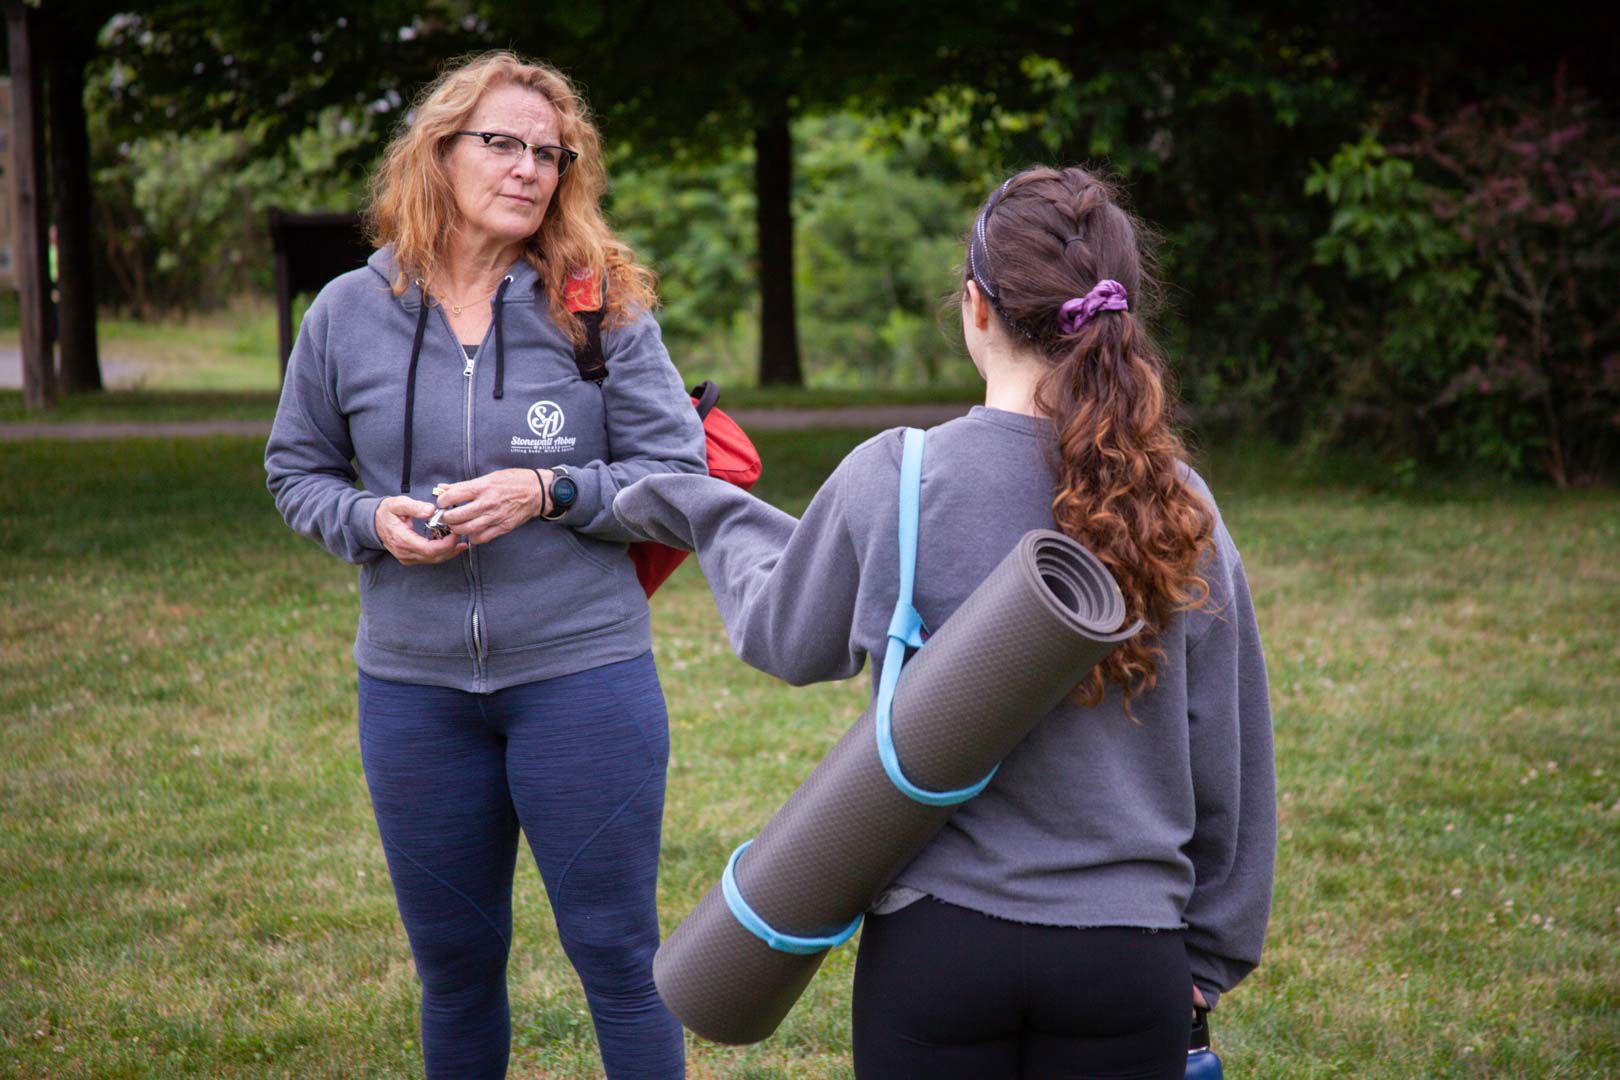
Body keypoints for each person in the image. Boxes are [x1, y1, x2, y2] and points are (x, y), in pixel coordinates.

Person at [612, 165, 1275, 1078]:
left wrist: (703, 507)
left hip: (940, 946)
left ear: (975, 307)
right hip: (1128, 953)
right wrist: (1211, 956)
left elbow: (784, 634)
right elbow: (1228, 741)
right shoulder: (1176, 502)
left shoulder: (901, 477)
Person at [264, 51, 706, 1079]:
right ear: (438, 152)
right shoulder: (343, 314)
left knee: (620, 959)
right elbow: (297, 471)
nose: (528, 170)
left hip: (583, 679)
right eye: (501, 144)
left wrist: (550, 491)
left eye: (549, 154)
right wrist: (371, 520)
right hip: (414, 691)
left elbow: (677, 482)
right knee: (454, 967)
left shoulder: (599, 308)